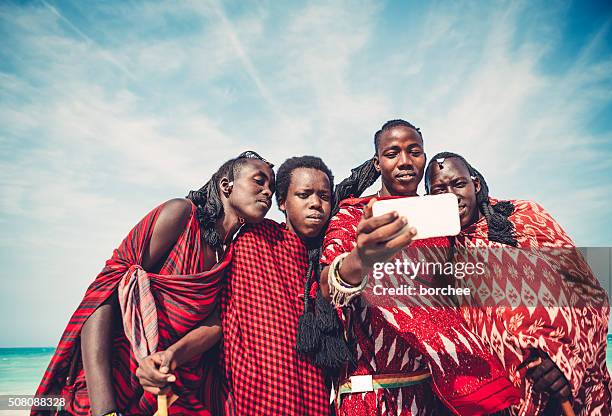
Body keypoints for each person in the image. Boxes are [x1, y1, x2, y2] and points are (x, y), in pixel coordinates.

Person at [32, 151, 275, 416]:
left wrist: (170, 356)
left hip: (164, 385)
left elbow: (215, 324)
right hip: (109, 381)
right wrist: (105, 410)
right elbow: (103, 297)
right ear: (226, 185)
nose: (267, 193)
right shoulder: (181, 216)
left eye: (272, 188)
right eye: (259, 181)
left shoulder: (230, 254)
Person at [318, 120, 519, 415]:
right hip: (369, 395)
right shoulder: (353, 215)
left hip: (436, 393)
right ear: (377, 163)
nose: (405, 162)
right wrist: (361, 259)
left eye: (415, 152)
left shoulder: (440, 220)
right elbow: (326, 286)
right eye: (392, 153)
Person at [425, 151, 611, 415]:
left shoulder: (525, 217)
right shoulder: (440, 252)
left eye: (458, 184)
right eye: (439, 190)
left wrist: (565, 359)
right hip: (501, 401)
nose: (451, 196)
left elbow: (589, 291)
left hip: (563, 388)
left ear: (475, 184)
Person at [219, 156, 341, 415]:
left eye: (324, 196)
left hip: (316, 397)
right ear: (283, 203)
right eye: (304, 194)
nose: (316, 204)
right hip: (259, 396)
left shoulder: (334, 253)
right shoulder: (256, 240)